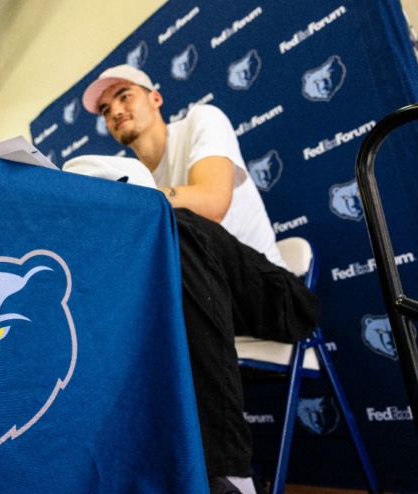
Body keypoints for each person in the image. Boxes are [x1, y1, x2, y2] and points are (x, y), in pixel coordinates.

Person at [78, 65, 319, 494]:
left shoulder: (201, 121)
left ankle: (232, 478)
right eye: (104, 108)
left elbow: (212, 201)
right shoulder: (139, 180)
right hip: (210, 307)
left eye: (124, 95)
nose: (114, 110)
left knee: (179, 222)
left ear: (155, 97)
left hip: (276, 299)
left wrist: (130, 202)